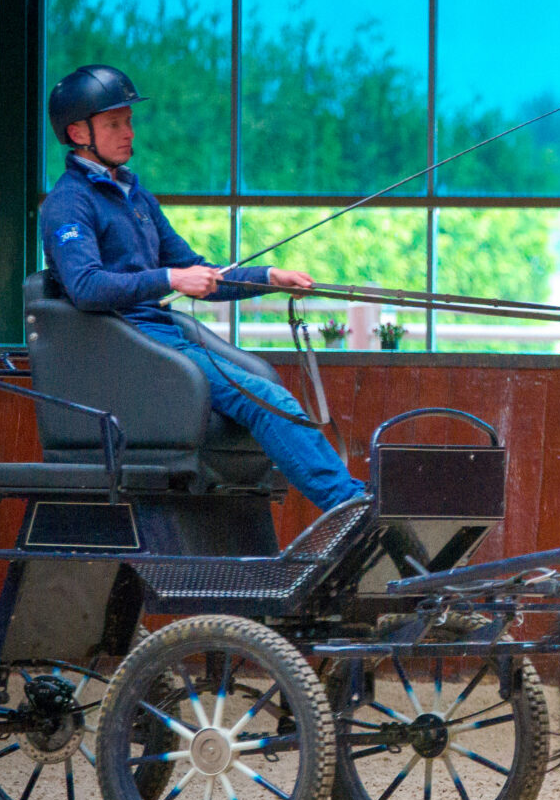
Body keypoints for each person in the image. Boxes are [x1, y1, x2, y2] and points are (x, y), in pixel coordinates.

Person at [37, 64, 363, 511]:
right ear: (78, 133)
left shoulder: (135, 195)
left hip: (162, 342)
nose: (129, 132)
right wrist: (170, 279)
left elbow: (196, 271)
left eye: (129, 121)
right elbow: (86, 286)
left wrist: (268, 278)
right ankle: (348, 505)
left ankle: (348, 501)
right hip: (130, 350)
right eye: (114, 123)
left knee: (269, 394)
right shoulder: (67, 204)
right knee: (267, 398)